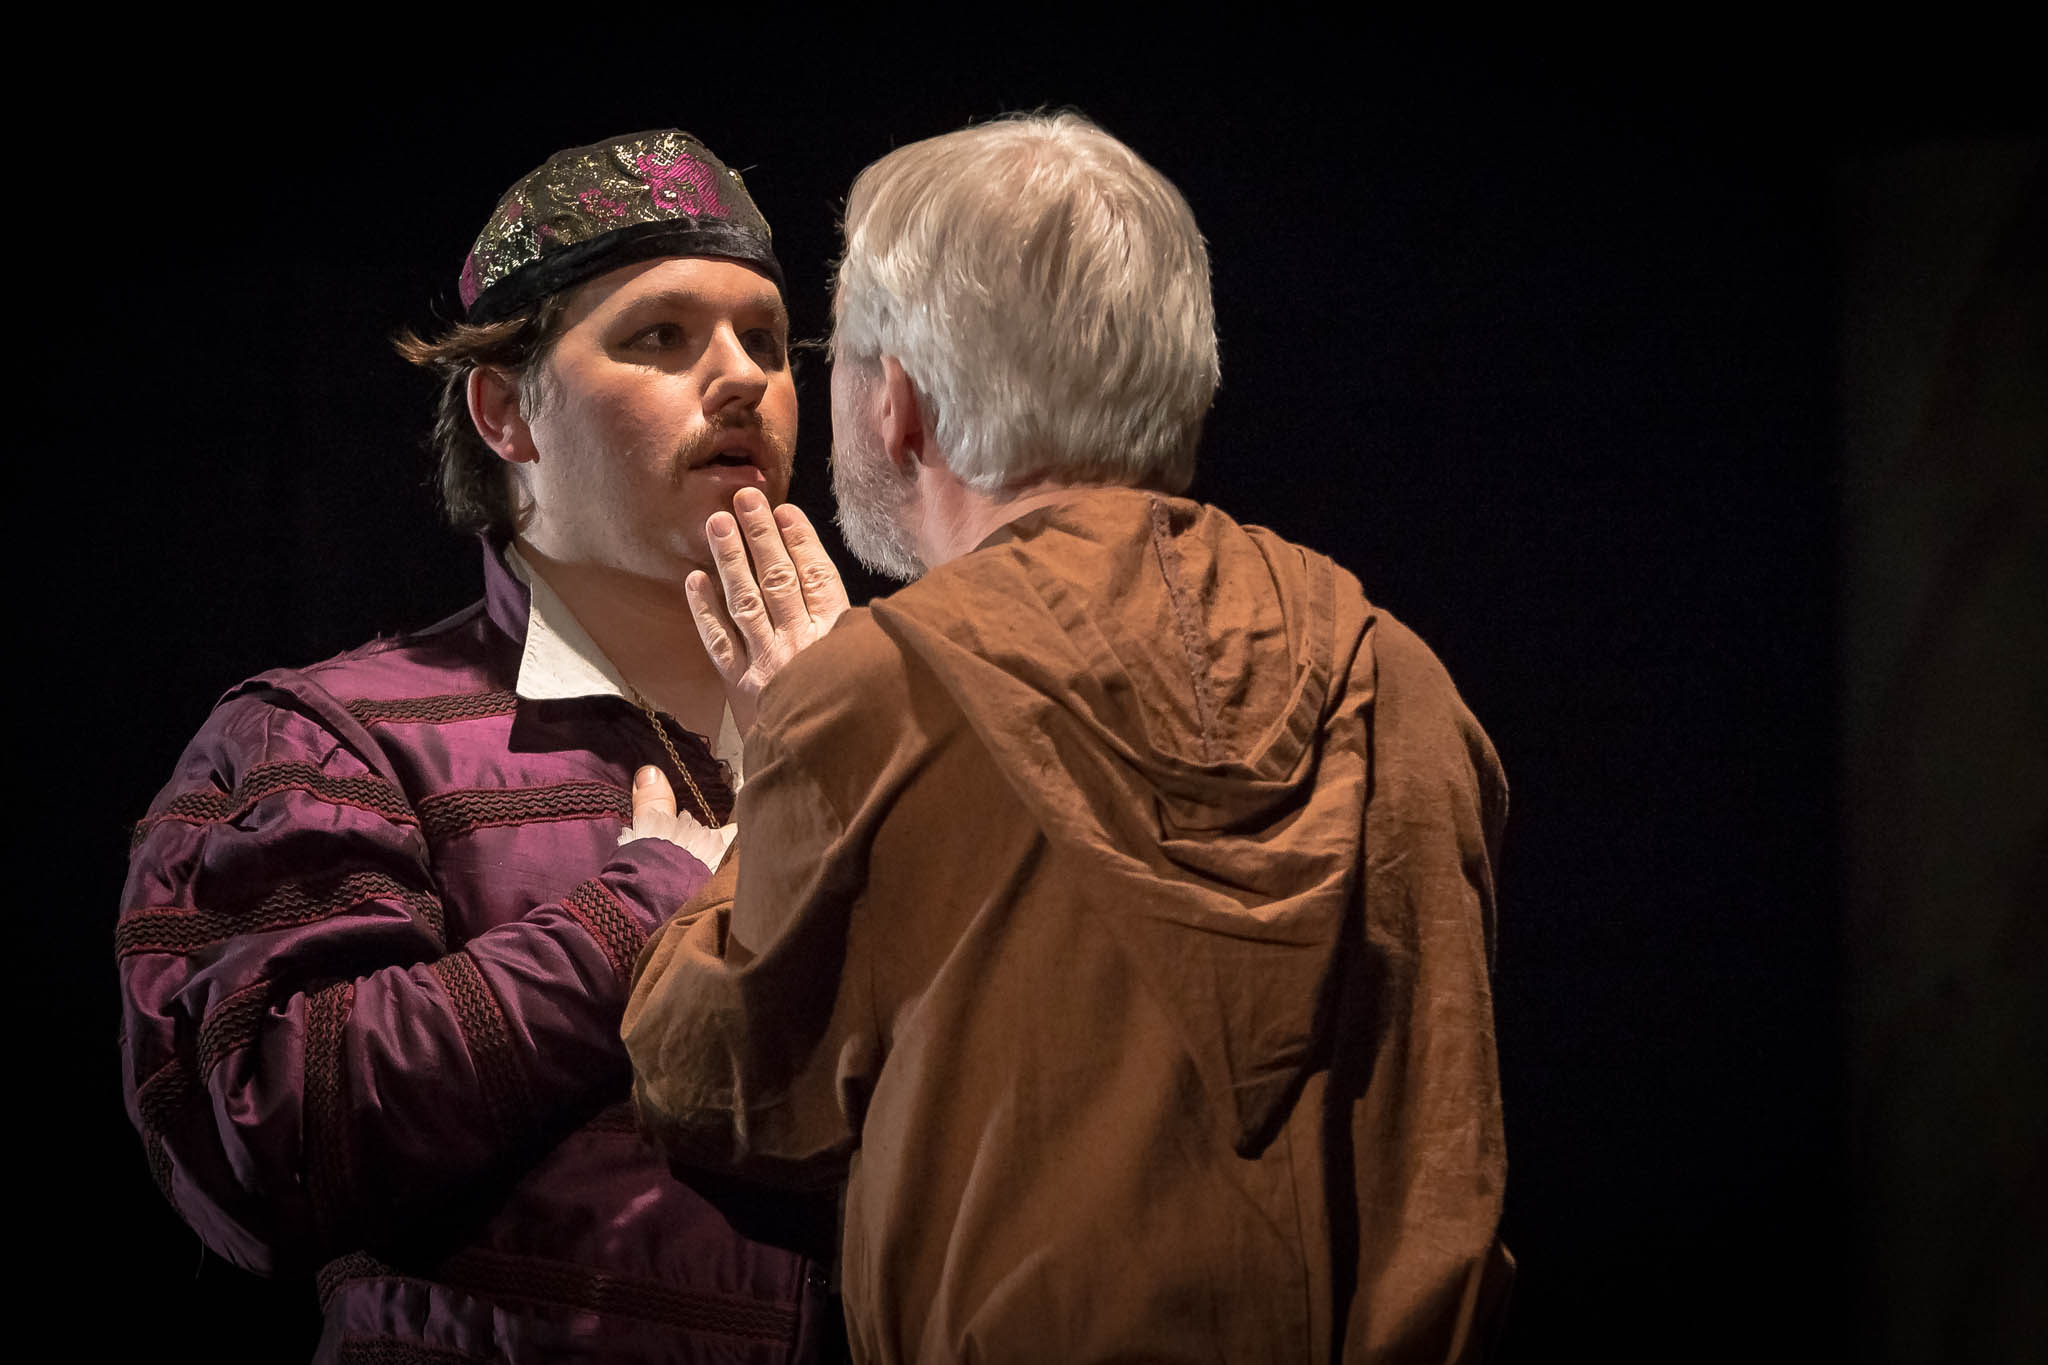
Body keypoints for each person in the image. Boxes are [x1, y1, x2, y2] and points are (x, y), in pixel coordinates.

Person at [623, 113, 1514, 1362]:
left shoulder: (878, 694)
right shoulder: (1398, 677)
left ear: (900, 404)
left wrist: (711, 847)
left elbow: (722, 1091)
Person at [118, 130, 850, 1363]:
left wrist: (853, 749)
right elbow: (261, 1136)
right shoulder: (331, 736)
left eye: (766, 342)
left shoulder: (900, 714)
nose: (742, 380)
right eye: (660, 337)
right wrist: (649, 910)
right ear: (507, 410)